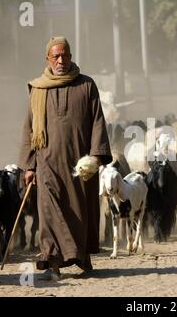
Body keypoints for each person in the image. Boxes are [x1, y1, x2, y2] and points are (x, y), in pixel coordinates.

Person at [18, 36, 113, 280]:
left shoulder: (86, 85)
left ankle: (80, 256)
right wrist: (29, 166)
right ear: (48, 59)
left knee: (79, 210)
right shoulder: (38, 88)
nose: (61, 60)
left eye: (66, 55)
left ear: (71, 56)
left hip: (79, 164)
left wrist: (95, 157)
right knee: (49, 212)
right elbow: (29, 129)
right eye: (56, 56)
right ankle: (51, 259)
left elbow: (98, 122)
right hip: (47, 162)